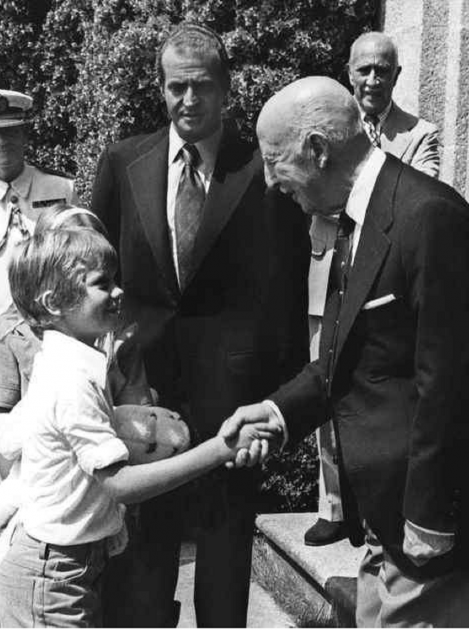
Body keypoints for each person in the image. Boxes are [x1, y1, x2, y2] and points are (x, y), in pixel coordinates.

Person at [222, 76, 469, 627]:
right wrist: (278, 412)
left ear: (319, 150)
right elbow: (350, 357)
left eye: (276, 161)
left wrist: (429, 519)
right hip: (389, 518)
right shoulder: (359, 218)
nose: (273, 184)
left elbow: (452, 383)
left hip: (441, 520)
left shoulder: (429, 219)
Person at [91, 22, 308, 627]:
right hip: (143, 393)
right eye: (176, 87)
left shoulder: (261, 170)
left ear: (226, 89)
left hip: (232, 399)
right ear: (161, 89)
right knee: (145, 552)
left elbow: (287, 292)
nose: (189, 101)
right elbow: (95, 272)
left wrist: (278, 401)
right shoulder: (123, 161)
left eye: (202, 87)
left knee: (223, 552)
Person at [0, 226, 274, 627]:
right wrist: (220, 450)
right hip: (50, 576)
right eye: (101, 284)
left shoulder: (75, 365)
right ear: (54, 303)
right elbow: (119, 483)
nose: (118, 292)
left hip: (65, 565)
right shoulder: (70, 380)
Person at [305, 31, 441, 547]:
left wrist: (353, 179)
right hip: (328, 276)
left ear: (397, 76)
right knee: (324, 383)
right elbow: (316, 195)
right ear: (349, 72)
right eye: (363, 69)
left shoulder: (419, 133)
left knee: (374, 389)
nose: (372, 79)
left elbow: (410, 195)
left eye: (383, 70)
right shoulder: (324, 128)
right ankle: (333, 505)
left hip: (385, 282)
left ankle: (374, 501)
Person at [0, 88, 78, 625]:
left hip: (46, 384)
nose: (0, 143)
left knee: (39, 508)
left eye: (11, 131)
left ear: (28, 132)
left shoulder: (63, 193)